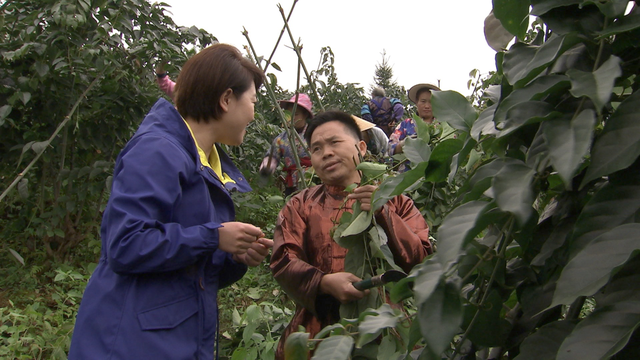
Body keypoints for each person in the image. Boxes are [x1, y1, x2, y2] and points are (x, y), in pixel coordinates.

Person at [69, 44, 274, 360]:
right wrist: (213, 236)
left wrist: (235, 255)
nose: (253, 113)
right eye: (252, 102)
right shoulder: (158, 151)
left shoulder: (203, 164)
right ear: (227, 99)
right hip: (129, 343)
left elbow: (191, 270)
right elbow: (125, 243)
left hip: (169, 338)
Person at [270, 110, 433, 359]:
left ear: (362, 147)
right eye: (316, 148)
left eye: (335, 142)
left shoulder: (396, 201)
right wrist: (323, 282)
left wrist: (384, 213)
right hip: (320, 331)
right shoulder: (300, 205)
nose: (326, 153)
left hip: (385, 328)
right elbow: (283, 260)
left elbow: (422, 261)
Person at [259, 94, 314, 196]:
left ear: (305, 115)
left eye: (296, 114)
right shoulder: (282, 139)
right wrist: (267, 168)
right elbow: (273, 156)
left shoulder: (314, 134)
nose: (291, 118)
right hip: (292, 186)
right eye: (288, 114)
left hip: (313, 183)